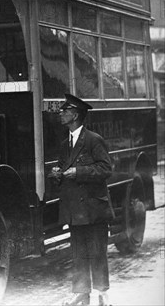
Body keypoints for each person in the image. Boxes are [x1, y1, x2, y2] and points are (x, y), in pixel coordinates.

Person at [49, 93, 114, 306]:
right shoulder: (64, 143)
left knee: (97, 252)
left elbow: (106, 169)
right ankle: (81, 294)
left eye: (65, 110)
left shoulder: (94, 140)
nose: (61, 113)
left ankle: (103, 294)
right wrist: (57, 174)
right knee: (78, 253)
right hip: (75, 209)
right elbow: (63, 170)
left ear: (75, 114)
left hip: (94, 208)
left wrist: (78, 171)